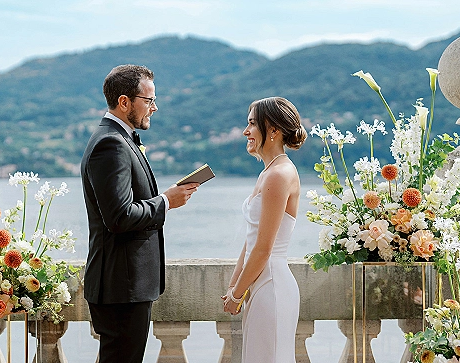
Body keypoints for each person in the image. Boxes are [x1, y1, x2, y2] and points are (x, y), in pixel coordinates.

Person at [81, 64, 199, 363]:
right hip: (121, 286)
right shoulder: (111, 144)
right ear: (124, 102)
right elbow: (119, 217)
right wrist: (166, 201)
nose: (154, 108)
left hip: (125, 285)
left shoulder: (119, 139)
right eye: (149, 101)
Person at [222, 97, 307, 363]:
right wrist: (235, 285)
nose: (246, 131)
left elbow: (263, 248)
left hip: (272, 286)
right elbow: (251, 241)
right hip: (261, 284)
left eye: (250, 124)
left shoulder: (278, 175)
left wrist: (237, 295)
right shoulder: (267, 174)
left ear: (272, 130)